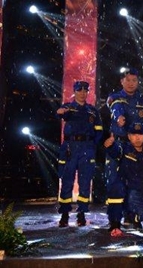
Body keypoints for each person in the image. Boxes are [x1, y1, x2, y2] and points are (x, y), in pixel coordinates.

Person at [105, 68, 143, 227]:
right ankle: (114, 219)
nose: (131, 83)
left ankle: (133, 215)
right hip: (118, 143)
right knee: (114, 180)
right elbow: (115, 109)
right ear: (121, 81)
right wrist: (119, 118)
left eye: (134, 80)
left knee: (136, 181)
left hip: (136, 146)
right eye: (128, 80)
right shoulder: (115, 98)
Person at [56, 80, 103, 228]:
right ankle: (64, 213)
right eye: (79, 90)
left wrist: (92, 145)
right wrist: (60, 112)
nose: (82, 93)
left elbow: (99, 131)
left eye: (85, 90)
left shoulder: (92, 111)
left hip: (87, 147)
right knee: (67, 180)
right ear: (74, 91)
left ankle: (81, 213)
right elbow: (60, 114)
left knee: (85, 182)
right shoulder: (69, 107)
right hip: (70, 147)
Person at [104, 123, 143, 232]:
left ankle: (133, 215)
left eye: (140, 134)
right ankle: (115, 223)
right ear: (129, 136)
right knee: (116, 189)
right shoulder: (124, 148)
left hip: (141, 191)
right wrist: (110, 146)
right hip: (124, 188)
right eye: (134, 135)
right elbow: (115, 152)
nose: (137, 138)